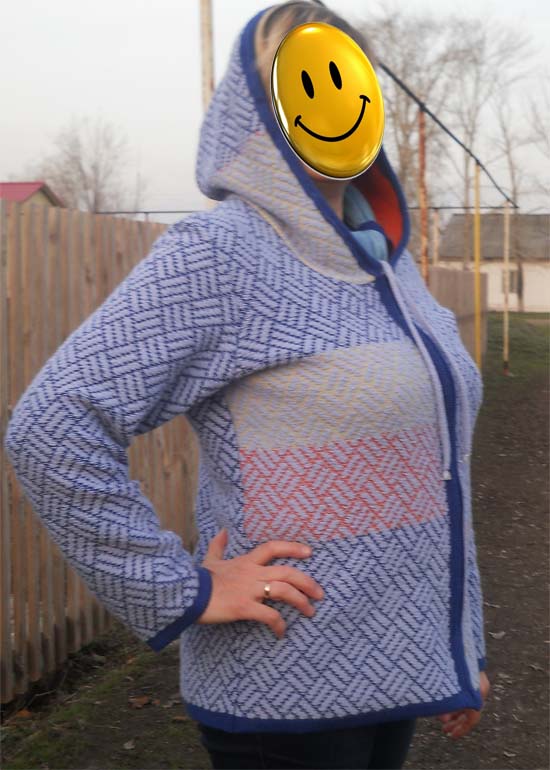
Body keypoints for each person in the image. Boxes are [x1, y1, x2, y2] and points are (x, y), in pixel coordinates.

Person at [4, 1, 491, 768]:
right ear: (256, 107)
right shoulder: (223, 252)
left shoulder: (389, 264)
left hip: (398, 678)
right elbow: (53, 424)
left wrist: (458, 649)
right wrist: (179, 588)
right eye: (305, 77)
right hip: (284, 687)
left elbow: (437, 475)